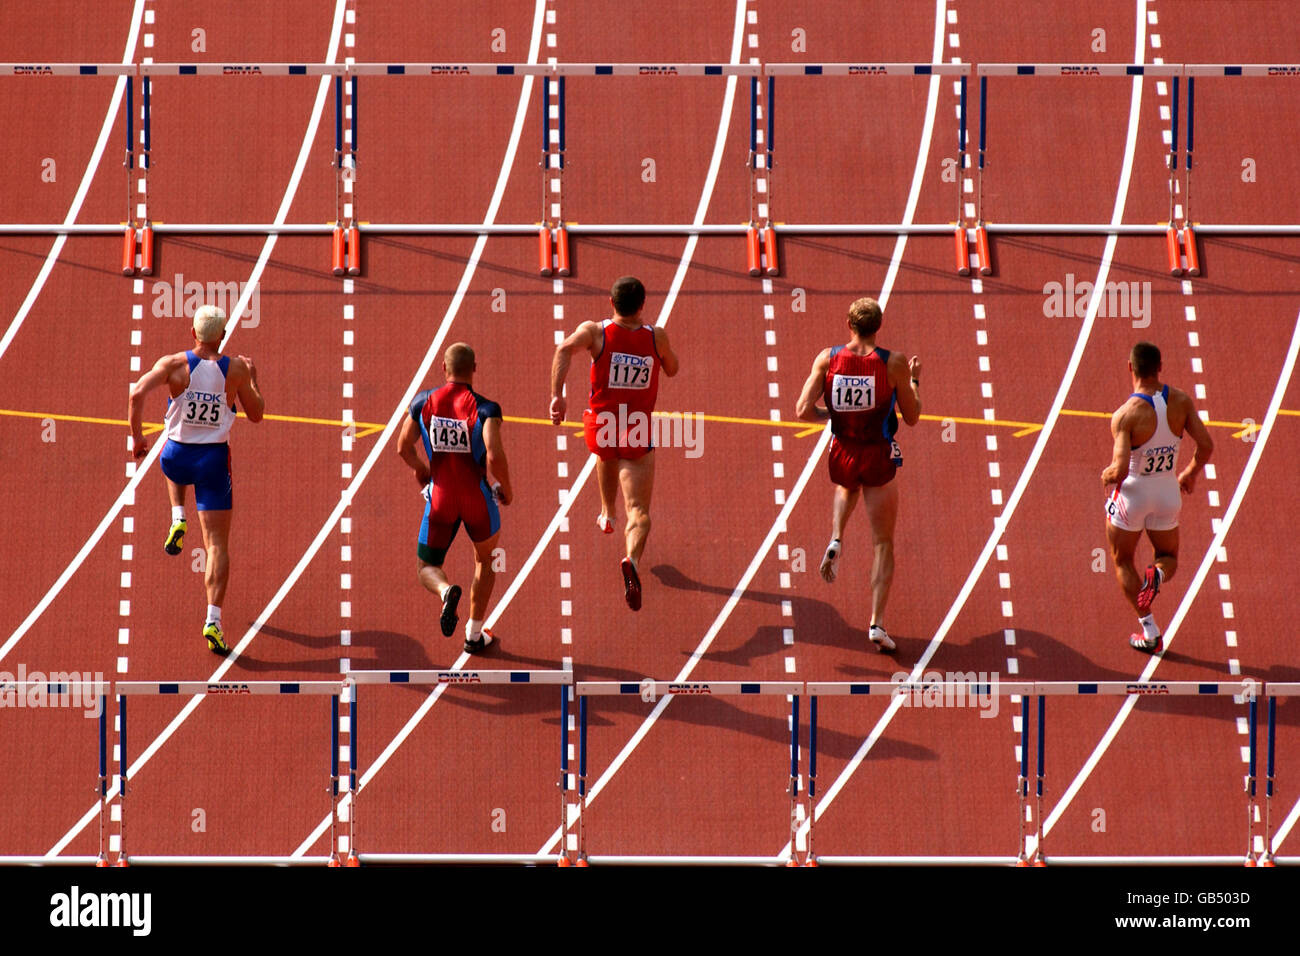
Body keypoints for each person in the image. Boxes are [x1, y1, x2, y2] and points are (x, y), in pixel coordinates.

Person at [128, 304, 265, 654]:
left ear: (193, 334)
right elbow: (256, 415)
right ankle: (213, 620)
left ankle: (178, 516)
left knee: (170, 449)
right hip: (213, 462)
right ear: (221, 336)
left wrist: (138, 438)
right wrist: (251, 377)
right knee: (216, 545)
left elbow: (136, 393)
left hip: (175, 458)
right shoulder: (234, 369)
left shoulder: (173, 365)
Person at [795, 296, 920, 653]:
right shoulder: (892, 363)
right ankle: (877, 623)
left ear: (848, 324)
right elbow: (912, 417)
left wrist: (832, 416)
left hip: (841, 450)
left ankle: (836, 535)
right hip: (878, 454)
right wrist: (914, 382)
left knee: (846, 485)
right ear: (877, 327)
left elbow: (803, 410)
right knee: (882, 542)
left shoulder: (828, 358)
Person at [550, 276, 679, 611]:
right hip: (636, 427)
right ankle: (631, 559)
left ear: (611, 303)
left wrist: (557, 396)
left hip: (601, 423)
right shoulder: (656, 336)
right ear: (642, 305)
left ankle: (607, 512)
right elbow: (673, 369)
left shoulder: (595, 332)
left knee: (604, 454)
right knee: (639, 511)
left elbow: (563, 348)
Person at [398, 342, 512, 654]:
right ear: (474, 369)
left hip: (441, 498)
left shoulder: (423, 402)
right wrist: (507, 487)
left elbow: (402, 447)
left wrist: (421, 468)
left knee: (426, 567)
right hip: (478, 498)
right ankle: (474, 635)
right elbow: (494, 456)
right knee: (485, 561)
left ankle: (446, 591)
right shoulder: (486, 409)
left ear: (444, 368)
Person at [1102, 341, 1214, 653]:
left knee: (1122, 559)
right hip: (1167, 492)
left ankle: (1149, 630)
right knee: (1170, 556)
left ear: (1130, 368)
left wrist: (1106, 475)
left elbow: (1121, 469)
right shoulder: (1181, 401)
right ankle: (1159, 575)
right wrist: (1190, 472)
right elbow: (1206, 445)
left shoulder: (1125, 415)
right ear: (1159, 367)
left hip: (1134, 495)